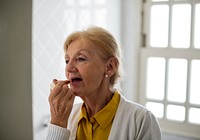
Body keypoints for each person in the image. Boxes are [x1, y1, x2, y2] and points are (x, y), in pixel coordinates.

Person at [47, 26, 161, 140]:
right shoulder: (65, 116)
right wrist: (58, 123)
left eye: (81, 58)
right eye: (67, 60)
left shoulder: (141, 120)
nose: (69, 68)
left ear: (110, 67)